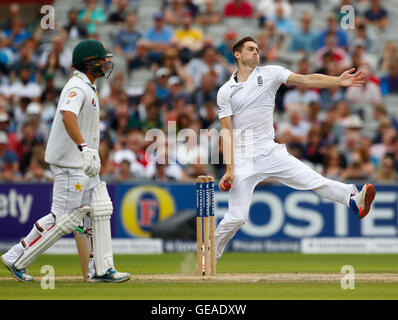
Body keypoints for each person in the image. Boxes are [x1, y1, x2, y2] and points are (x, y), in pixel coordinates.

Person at [215, 36, 376, 262]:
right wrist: (229, 170)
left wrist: (337, 81)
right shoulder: (225, 91)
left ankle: (353, 199)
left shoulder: (270, 73)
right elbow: (226, 132)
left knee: (313, 180)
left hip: (270, 152)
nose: (256, 52)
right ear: (237, 54)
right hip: (243, 158)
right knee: (237, 217)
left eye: (257, 49)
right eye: (250, 49)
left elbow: (306, 80)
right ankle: (210, 254)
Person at [1, 39, 130, 283]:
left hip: (83, 164)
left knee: (98, 211)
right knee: (63, 218)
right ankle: (17, 257)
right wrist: (83, 147)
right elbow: (68, 115)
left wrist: (87, 152)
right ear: (89, 63)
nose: (105, 63)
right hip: (71, 164)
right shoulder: (77, 87)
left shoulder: (88, 86)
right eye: (101, 59)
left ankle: (100, 269)